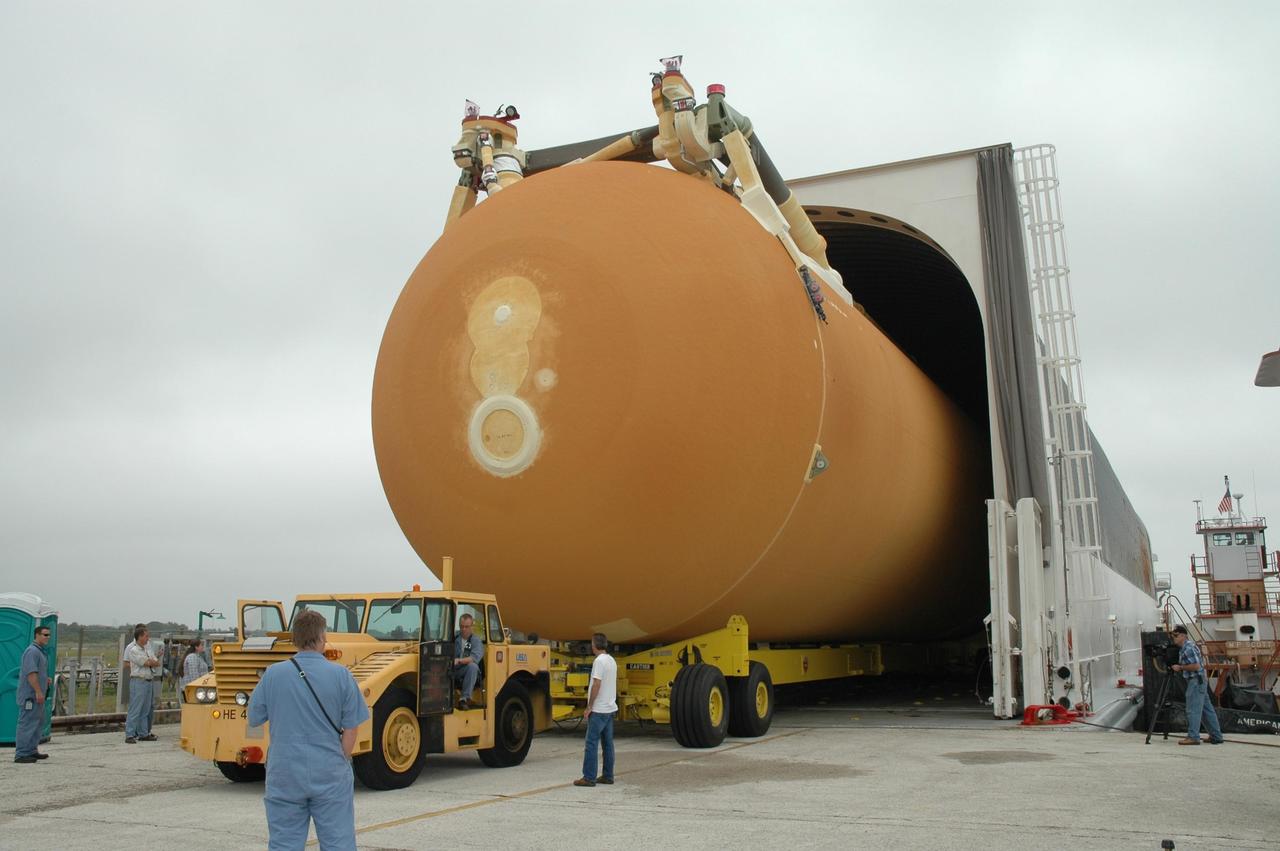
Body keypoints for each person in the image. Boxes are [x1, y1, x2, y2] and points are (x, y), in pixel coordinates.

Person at [249, 609, 369, 851]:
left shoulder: (273, 674)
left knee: (284, 843)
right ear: (322, 637)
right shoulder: (341, 675)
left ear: (295, 639)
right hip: (329, 770)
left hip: (285, 771)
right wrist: (340, 758)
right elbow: (351, 728)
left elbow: (254, 718)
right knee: (338, 842)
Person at [574, 632, 617, 787]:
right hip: (610, 708)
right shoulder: (611, 660)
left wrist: (589, 706)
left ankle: (589, 777)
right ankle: (608, 775)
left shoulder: (599, 661)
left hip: (599, 709)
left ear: (594, 645)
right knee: (607, 744)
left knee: (591, 743)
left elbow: (597, 684)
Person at [1170, 624, 1224, 746]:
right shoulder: (1187, 647)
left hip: (1195, 681)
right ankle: (1216, 735)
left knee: (1192, 709)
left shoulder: (1188, 648)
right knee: (1207, 710)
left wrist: (1180, 667)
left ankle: (1193, 736)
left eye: (1176, 635)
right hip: (1200, 681)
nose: (1174, 638)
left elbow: (1196, 666)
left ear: (1183, 636)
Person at [14, 625, 52, 764]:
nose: (47, 637)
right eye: (44, 635)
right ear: (36, 635)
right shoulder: (32, 651)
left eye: (49, 635)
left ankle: (31, 750)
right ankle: (22, 753)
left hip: (37, 695)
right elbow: (31, 674)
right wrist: (38, 691)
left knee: (37, 722)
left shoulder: (40, 652)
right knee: (27, 722)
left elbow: (38, 672)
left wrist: (45, 679)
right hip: (31, 695)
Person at [124, 624, 162, 743]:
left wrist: (153, 661)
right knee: (135, 708)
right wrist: (152, 662)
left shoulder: (147, 648)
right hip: (138, 681)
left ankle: (143, 733)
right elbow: (147, 662)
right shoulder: (133, 650)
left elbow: (155, 661)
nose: (148, 638)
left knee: (146, 709)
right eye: (146, 636)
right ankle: (129, 734)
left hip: (148, 681)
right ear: (139, 637)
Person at [453, 613, 484, 709]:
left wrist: (459, 661)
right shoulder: (454, 639)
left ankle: (464, 699)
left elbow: (474, 658)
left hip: (467, 671)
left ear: (472, 627)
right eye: (462, 626)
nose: (464, 629)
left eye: (466, 627)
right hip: (453, 669)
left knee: (473, 666)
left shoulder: (476, 641)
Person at [179, 639, 210, 704]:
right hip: (193, 691)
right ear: (196, 647)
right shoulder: (192, 657)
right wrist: (199, 690)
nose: (203, 647)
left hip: (197, 691)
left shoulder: (198, 657)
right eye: (201, 645)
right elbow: (194, 676)